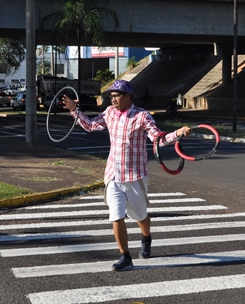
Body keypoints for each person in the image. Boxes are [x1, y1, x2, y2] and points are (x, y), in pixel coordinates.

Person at [62, 79, 191, 271]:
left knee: (140, 215)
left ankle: (146, 237)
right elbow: (90, 126)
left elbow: (158, 139)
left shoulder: (142, 116)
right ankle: (125, 255)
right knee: (116, 216)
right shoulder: (109, 113)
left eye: (117, 96)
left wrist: (178, 133)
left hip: (135, 175)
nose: (113, 99)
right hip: (113, 173)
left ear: (128, 96)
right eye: (111, 96)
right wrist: (74, 110)